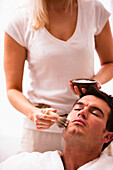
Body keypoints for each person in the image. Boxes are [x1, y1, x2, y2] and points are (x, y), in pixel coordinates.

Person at [4, 0, 113, 152]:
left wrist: (94, 82)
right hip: (41, 132)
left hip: (87, 129)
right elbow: (12, 89)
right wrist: (33, 112)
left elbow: (110, 62)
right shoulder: (20, 20)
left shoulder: (94, 9)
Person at [0, 87, 113, 170]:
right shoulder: (23, 164)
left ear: (108, 136)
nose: (82, 113)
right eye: (78, 108)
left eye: (95, 113)